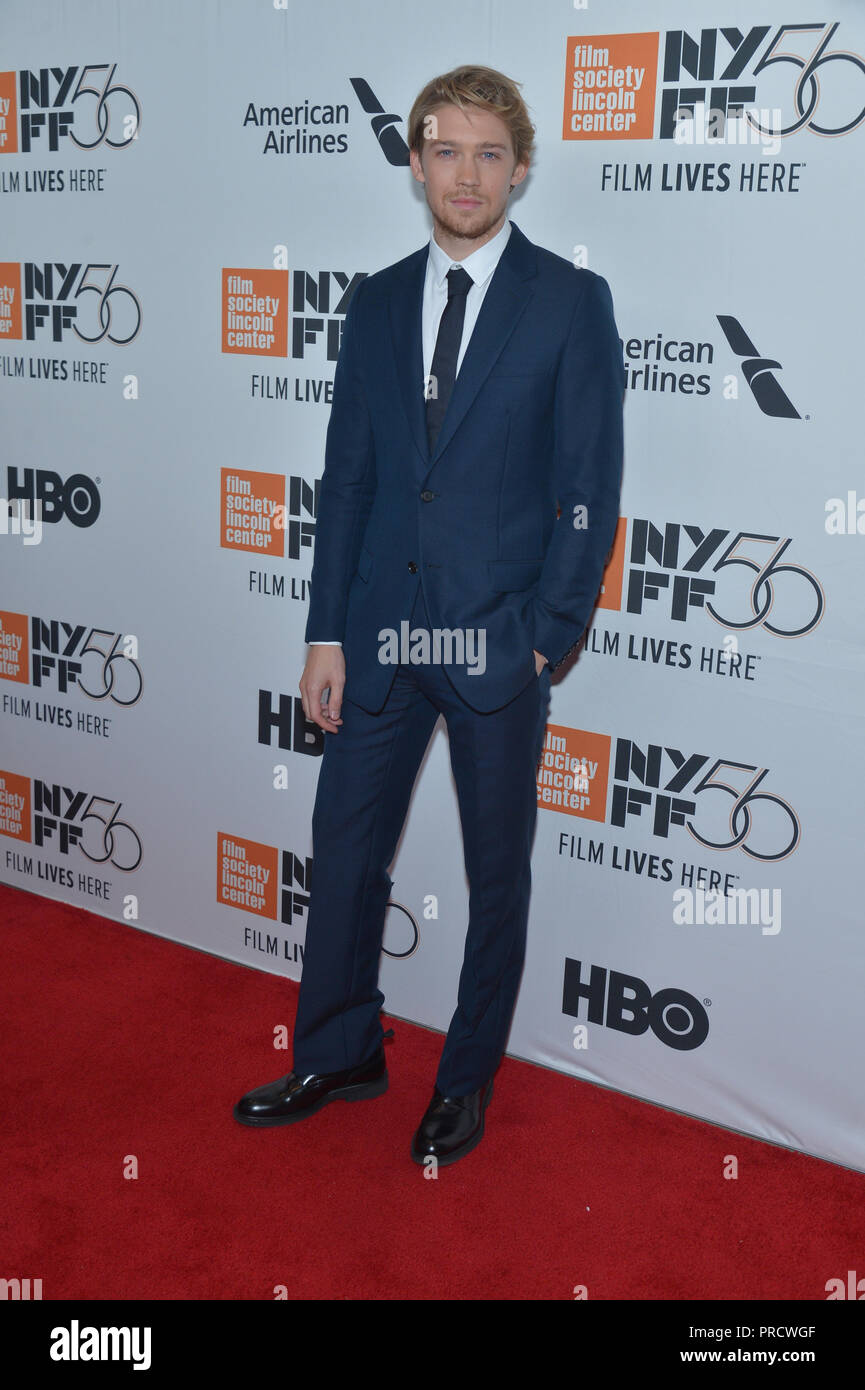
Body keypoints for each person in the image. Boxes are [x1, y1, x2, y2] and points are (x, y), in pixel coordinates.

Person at [234, 65, 625, 1167]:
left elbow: (588, 484)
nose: (466, 173)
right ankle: (340, 1048)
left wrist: (548, 634)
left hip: (498, 641)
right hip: (377, 636)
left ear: (521, 166)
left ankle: (464, 1081)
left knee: (497, 871)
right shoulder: (371, 299)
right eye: (445, 150)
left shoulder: (567, 301)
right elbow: (348, 480)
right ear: (414, 163)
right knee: (344, 843)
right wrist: (323, 631)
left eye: (488, 152)